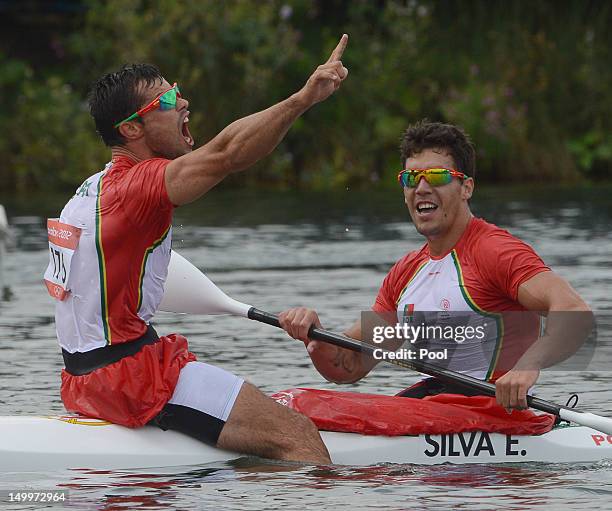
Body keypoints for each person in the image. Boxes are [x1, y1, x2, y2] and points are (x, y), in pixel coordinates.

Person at [46, 35, 350, 464]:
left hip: (81, 377)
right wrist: (303, 99)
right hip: (130, 378)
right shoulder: (138, 186)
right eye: (168, 99)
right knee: (296, 435)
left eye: (176, 89)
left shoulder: (88, 191)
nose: (182, 101)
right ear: (132, 129)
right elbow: (227, 154)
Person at [279, 120, 592, 411]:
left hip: (497, 414)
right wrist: (314, 337)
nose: (422, 188)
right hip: (436, 407)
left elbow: (574, 311)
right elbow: (349, 364)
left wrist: (527, 366)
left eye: (438, 177)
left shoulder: (495, 252)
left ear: (466, 188)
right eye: (411, 178)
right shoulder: (405, 273)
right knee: (296, 407)